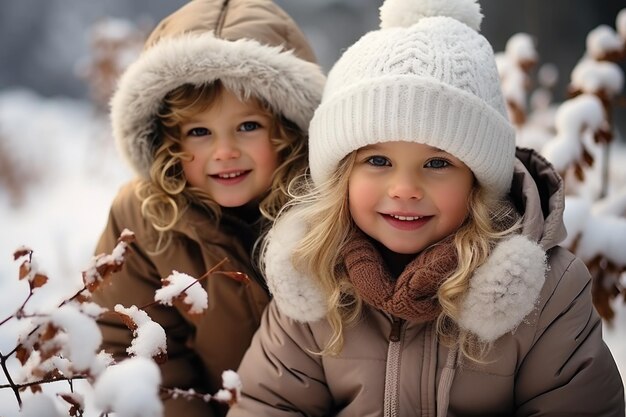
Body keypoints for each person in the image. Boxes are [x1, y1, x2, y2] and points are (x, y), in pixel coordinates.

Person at [227, 0, 625, 415]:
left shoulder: (545, 292)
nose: (404, 189)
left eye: (437, 163)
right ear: (342, 177)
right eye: (378, 161)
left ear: (478, 182)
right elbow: (266, 405)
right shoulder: (312, 280)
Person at [91, 1, 325, 416]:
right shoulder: (144, 220)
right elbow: (127, 351)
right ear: (168, 142)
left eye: (248, 126)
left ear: (289, 130)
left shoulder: (329, 211)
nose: (224, 152)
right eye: (199, 131)